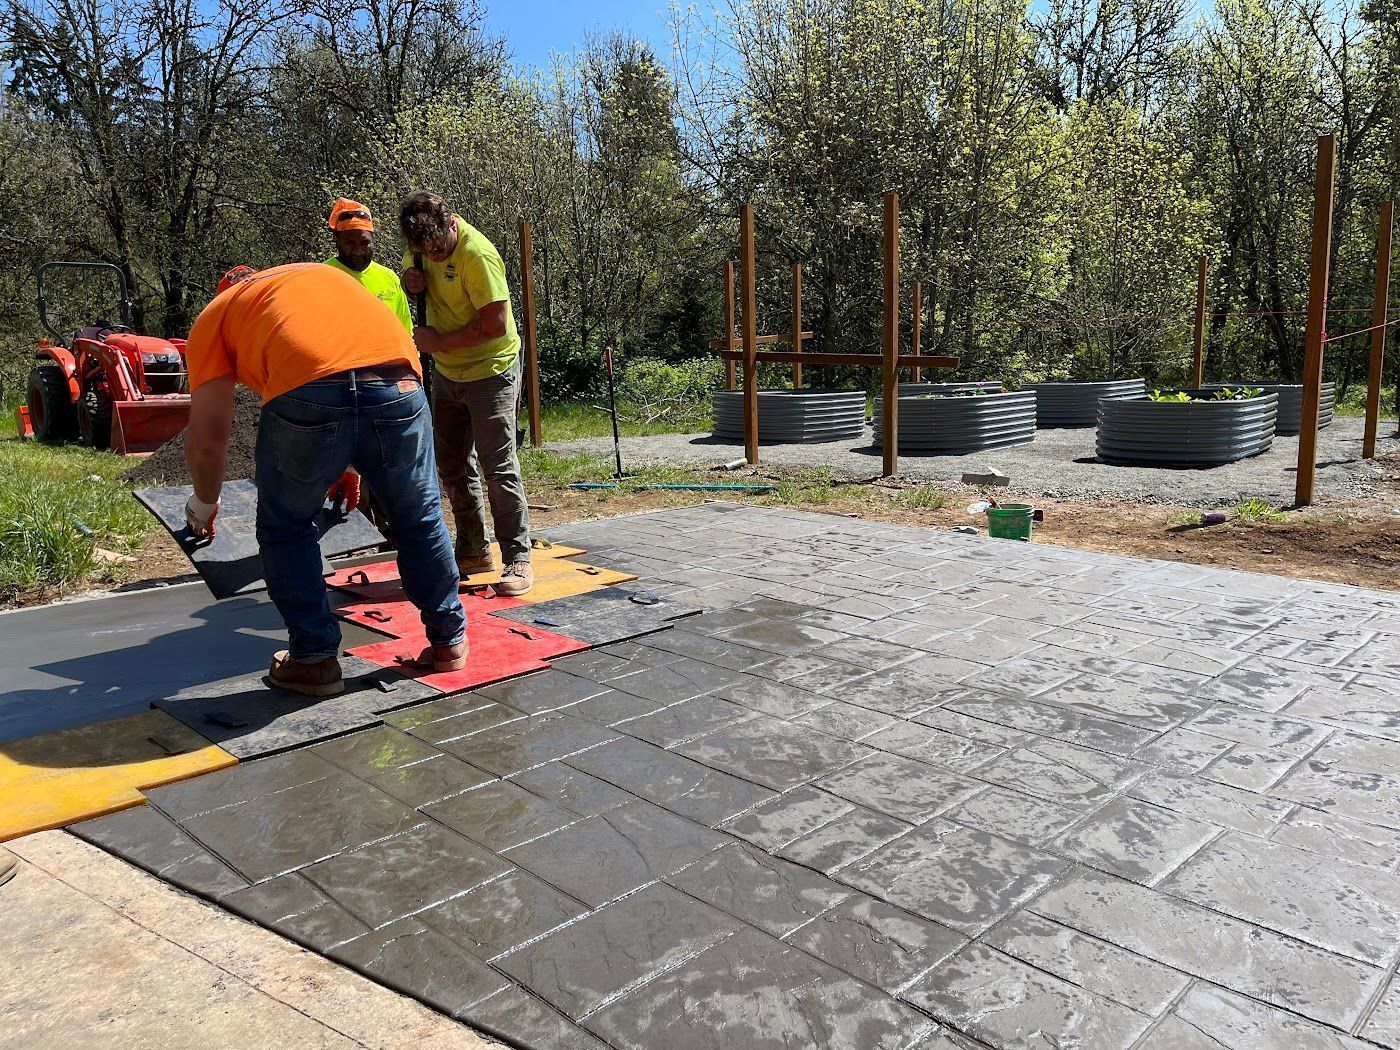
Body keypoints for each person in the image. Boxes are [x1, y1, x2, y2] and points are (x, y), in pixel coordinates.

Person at [181, 263, 468, 696]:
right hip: (399, 381)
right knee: (418, 516)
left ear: (224, 292)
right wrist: (350, 463)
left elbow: (207, 440)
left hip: (308, 386)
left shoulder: (216, 315)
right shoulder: (315, 279)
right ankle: (449, 642)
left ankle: (313, 661)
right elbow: (352, 364)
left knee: (287, 527)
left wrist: (204, 504)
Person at [398, 191, 533, 596]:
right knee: (452, 463)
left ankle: (518, 557)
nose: (434, 257)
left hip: (491, 368)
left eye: (440, 248)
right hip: (448, 371)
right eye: (425, 252)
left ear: (452, 224)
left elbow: (494, 324)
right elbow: (412, 270)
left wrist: (437, 341)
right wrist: (410, 279)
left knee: (497, 464)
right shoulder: (420, 249)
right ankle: (473, 548)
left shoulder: (478, 256)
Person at [324, 198, 412, 333]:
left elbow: (405, 331)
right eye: (350, 243)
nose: (358, 251)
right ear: (336, 238)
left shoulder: (389, 278)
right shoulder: (322, 276)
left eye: (365, 243)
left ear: (373, 238)